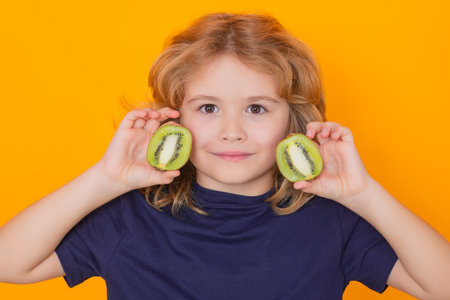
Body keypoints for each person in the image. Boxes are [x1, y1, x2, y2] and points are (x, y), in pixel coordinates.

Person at [0, 12, 449, 300]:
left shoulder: (334, 221)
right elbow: (8, 264)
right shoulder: (127, 218)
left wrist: (366, 194)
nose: (232, 132)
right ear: (174, 120)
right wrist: (104, 179)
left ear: (291, 122)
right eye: (208, 108)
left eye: (256, 108)